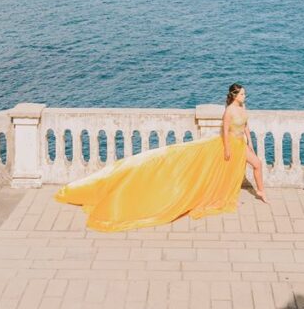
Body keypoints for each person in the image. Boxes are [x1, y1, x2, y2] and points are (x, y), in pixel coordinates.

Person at [54, 83, 268, 232]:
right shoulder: (229, 111)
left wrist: (250, 142)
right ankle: (233, 196)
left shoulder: (242, 108)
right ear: (234, 96)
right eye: (242, 94)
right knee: (227, 172)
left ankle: (260, 191)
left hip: (242, 144)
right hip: (231, 145)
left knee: (255, 164)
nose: (244, 97)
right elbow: (225, 131)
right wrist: (228, 148)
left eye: (244, 94)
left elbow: (247, 126)